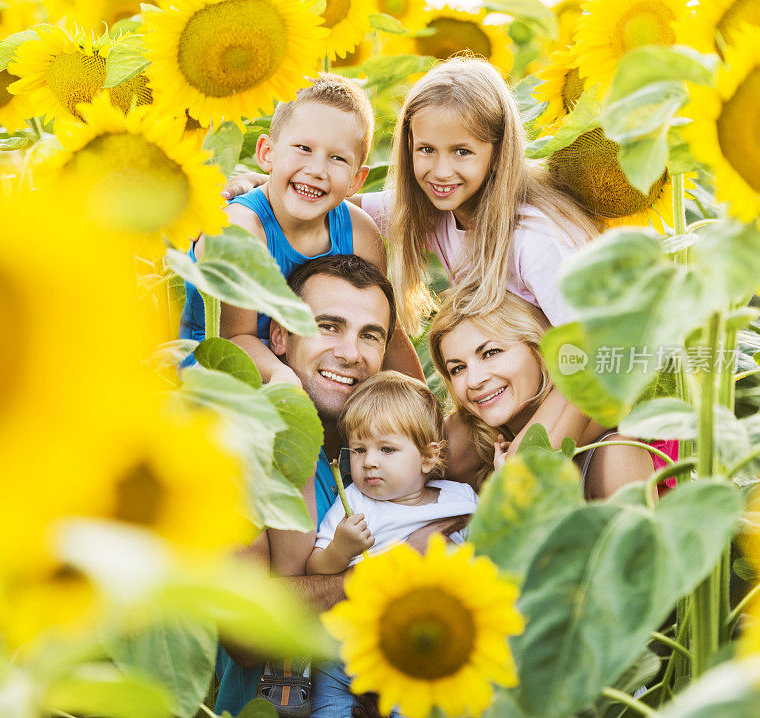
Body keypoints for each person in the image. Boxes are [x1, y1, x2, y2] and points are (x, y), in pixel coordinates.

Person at [222, 57, 606, 476]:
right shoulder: (437, 208)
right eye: (426, 150)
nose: (441, 171)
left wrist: (540, 443)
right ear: (409, 149)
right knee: (435, 464)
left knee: (518, 478)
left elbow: (594, 349)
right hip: (505, 387)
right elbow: (337, 200)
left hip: (583, 388)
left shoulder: (533, 237)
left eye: (462, 152)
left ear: (498, 154)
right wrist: (262, 182)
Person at [215, 256, 459, 717]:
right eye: (328, 326)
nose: (351, 352)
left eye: (370, 335)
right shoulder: (236, 452)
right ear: (280, 337)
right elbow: (245, 630)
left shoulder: (400, 458)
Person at [179, 73, 422, 382]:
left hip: (315, 369)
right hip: (220, 378)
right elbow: (235, 338)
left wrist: (423, 409)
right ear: (267, 153)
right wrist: (285, 379)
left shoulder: (359, 233)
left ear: (356, 181)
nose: (317, 170)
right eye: (304, 148)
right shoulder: (242, 230)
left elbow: (386, 331)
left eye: (337, 158)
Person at [306, 371, 478, 716]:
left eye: (387, 449)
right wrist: (341, 548)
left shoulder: (460, 499)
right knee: (328, 707)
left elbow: (492, 549)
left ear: (428, 458)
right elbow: (315, 566)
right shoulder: (353, 501)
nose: (369, 461)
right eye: (359, 449)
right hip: (345, 648)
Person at [428, 285, 663, 497]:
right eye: (457, 368)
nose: (474, 380)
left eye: (491, 353)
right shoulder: (468, 451)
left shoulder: (615, 456)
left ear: (538, 348)